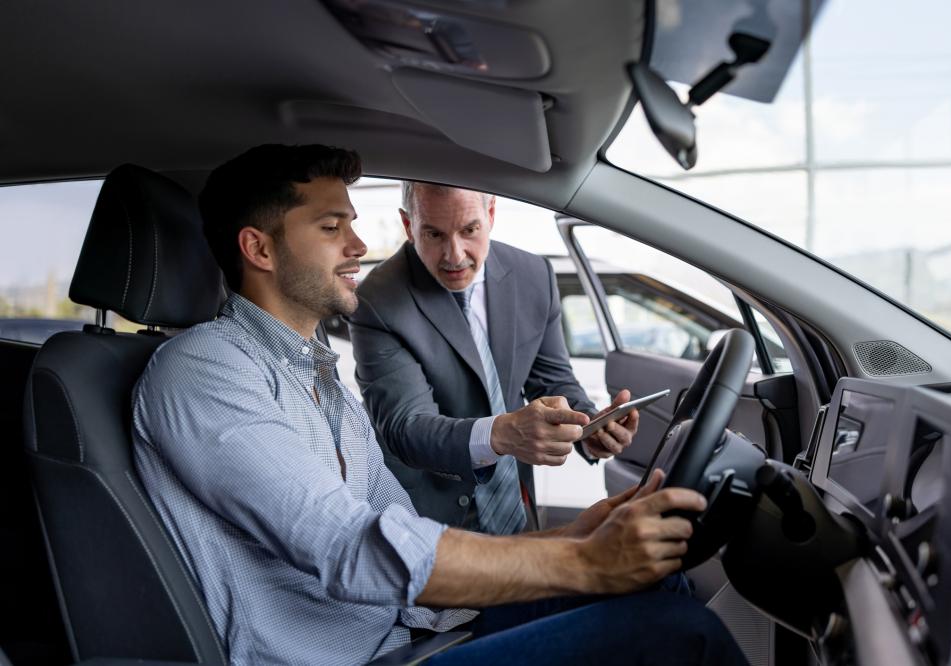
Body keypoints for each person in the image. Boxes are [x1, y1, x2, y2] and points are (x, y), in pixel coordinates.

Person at [132, 144, 747, 665]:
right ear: (260, 251)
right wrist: (581, 560)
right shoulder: (204, 372)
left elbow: (391, 523)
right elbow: (350, 547)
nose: (358, 243)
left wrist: (573, 534)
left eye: (350, 223)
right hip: (354, 655)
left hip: (411, 628)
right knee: (680, 633)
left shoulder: (318, 374)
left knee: (659, 583)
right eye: (331, 228)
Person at [348, 182, 638, 533]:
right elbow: (406, 428)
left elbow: (551, 379)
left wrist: (587, 424)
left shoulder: (534, 275)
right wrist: (503, 434)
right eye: (434, 234)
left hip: (517, 500)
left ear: (491, 214)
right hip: (429, 516)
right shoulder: (378, 300)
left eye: (469, 230)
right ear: (409, 226)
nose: (454, 255)